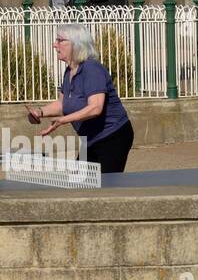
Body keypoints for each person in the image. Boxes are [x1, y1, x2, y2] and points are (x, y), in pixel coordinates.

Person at [26, 25, 134, 173]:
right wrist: (39, 112)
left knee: (106, 186)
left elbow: (96, 108)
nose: (54, 44)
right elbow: (62, 104)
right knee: (81, 183)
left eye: (60, 40)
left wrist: (63, 120)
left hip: (113, 136)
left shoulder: (91, 69)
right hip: (92, 139)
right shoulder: (69, 71)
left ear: (76, 45)